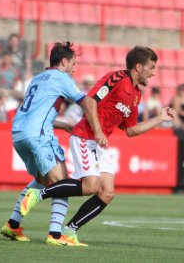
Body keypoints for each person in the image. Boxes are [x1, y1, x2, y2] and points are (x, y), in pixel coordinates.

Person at [18, 46, 175, 246]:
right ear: (138, 66)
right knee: (90, 186)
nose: (154, 72)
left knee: (107, 192)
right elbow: (90, 101)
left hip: (99, 143)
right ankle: (38, 194)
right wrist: (99, 131)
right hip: (86, 136)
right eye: (151, 67)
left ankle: (69, 230)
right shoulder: (117, 78)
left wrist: (160, 118)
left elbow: (131, 130)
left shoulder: (136, 95)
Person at [0, 41, 107, 245]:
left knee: (43, 180)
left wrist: (63, 124)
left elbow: (34, 113)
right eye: (73, 63)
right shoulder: (62, 78)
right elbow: (86, 103)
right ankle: (55, 235)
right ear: (64, 61)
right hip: (38, 135)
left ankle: (13, 225)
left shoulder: (37, 78)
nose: (75, 68)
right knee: (62, 184)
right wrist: (98, 129)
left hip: (19, 134)